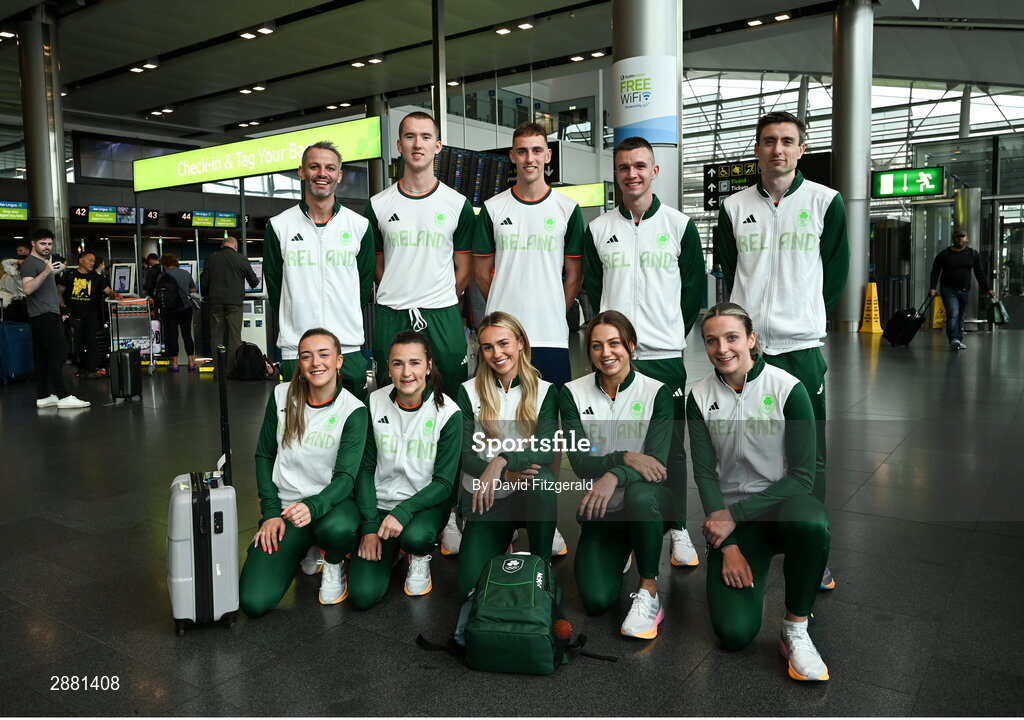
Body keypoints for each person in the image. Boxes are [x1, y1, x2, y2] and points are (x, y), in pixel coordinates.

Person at [715, 110, 849, 591]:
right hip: (749, 352)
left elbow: (834, 274)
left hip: (800, 349)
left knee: (809, 454)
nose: (778, 149)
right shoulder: (733, 208)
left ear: (801, 148)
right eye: (769, 141)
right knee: (743, 444)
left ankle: (813, 550)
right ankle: (746, 530)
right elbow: (729, 275)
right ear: (757, 148)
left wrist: (805, 316)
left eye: (787, 141)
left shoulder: (824, 202)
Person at [688, 302, 830, 681]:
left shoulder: (788, 389)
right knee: (734, 635)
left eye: (732, 337)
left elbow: (803, 476)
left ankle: (796, 627)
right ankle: (742, 562)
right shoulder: (699, 396)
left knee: (813, 523)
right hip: (734, 522)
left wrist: (733, 517)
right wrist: (727, 545)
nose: (722, 349)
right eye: (711, 340)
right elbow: (704, 474)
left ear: (751, 339)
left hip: (782, 506)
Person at [583, 136, 705, 569]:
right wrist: (610, 343)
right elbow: (593, 291)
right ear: (615, 174)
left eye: (640, 166)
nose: (631, 174)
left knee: (671, 448)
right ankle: (626, 526)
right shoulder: (598, 229)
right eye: (623, 167)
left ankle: (677, 527)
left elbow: (694, 291)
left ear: (655, 171)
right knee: (618, 441)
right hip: (614, 358)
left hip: (663, 356)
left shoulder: (678, 226)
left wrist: (671, 332)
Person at [239, 328, 368, 616]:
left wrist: (313, 505)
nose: (315, 363)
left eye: (324, 355)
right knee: (253, 601)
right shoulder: (281, 395)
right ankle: (305, 548)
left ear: (338, 361)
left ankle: (334, 561)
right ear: (299, 362)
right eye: (306, 356)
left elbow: (346, 478)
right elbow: (264, 455)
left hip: (329, 506)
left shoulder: (354, 410)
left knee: (338, 530)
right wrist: (270, 512)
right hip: (286, 511)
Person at [561, 311, 675, 639]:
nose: (606, 353)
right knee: (595, 602)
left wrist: (613, 475)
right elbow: (581, 463)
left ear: (631, 345)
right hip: (602, 513)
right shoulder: (572, 393)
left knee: (640, 494)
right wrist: (624, 457)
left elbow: (655, 464)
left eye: (615, 343)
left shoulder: (657, 392)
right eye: (597, 346)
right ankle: (623, 546)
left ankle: (649, 590)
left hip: (649, 502)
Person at [348, 330, 461, 608]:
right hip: (379, 505)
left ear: (429, 365)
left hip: (423, 505)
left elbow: (444, 484)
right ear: (388, 367)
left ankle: (418, 556)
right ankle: (394, 549)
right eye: (398, 363)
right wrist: (370, 526)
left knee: (417, 538)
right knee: (362, 596)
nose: (406, 372)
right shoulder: (375, 402)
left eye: (414, 362)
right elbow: (364, 469)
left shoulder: (448, 413)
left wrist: (403, 510)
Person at [365, 111, 475, 390]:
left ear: (437, 146)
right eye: (410, 136)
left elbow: (464, 268)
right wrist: (401, 290)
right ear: (399, 145)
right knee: (391, 397)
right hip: (393, 312)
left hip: (442, 313)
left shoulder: (456, 204)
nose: (417, 144)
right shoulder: (378, 205)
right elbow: (377, 266)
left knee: (450, 396)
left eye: (426, 137)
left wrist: (440, 295)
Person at [454, 311, 559, 599]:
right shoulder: (467, 392)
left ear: (521, 343)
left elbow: (545, 448)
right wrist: (502, 473)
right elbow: (464, 455)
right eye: (487, 347)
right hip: (486, 499)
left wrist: (501, 463)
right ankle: (501, 538)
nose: (496, 354)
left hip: (526, 492)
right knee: (468, 590)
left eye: (503, 344)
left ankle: (542, 566)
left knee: (543, 480)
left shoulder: (545, 391)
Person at [474, 122, 584, 386]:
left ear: (548, 155)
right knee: (500, 417)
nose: (529, 158)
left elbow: (575, 276)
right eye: (522, 151)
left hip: (551, 334)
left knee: (548, 417)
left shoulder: (567, 209)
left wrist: (555, 308)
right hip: (503, 337)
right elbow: (480, 274)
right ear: (512, 156)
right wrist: (504, 305)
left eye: (536, 150)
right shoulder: (493, 209)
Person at [265, 141, 375, 397]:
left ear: (339, 175)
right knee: (300, 430)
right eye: (314, 167)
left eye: (329, 168)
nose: (322, 173)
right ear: (302, 172)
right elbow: (275, 287)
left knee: (353, 427)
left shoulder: (359, 226)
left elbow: (363, 285)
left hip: (347, 348)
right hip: (298, 349)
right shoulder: (279, 226)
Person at [19, 228, 90, 409]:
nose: (47, 247)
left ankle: (43, 396)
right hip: (44, 316)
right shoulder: (30, 263)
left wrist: (53, 271)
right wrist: (45, 271)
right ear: (33, 244)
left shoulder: (43, 262)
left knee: (43, 357)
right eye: (43, 243)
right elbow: (27, 289)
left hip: (45, 315)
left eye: (49, 244)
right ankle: (63, 396)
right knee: (59, 354)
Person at [929, 229, 996, 351]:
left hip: (965, 290)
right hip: (948, 289)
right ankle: (954, 338)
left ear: (967, 238)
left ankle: (958, 340)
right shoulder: (944, 255)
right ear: (953, 239)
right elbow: (935, 272)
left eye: (962, 236)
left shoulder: (973, 254)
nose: (960, 239)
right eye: (957, 237)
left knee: (960, 315)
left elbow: (979, 273)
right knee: (953, 313)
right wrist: (933, 287)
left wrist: (988, 289)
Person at [203, 237, 260, 374]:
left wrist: (208, 296)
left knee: (216, 336)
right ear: (235, 246)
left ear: (222, 246)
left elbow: (204, 282)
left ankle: (218, 370)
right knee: (235, 337)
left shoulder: (211, 258)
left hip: (215, 303)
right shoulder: (241, 258)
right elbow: (254, 281)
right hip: (235, 304)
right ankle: (230, 370)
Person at [62, 251, 122, 378]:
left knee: (91, 342)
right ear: (81, 260)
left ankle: (92, 368)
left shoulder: (96, 277)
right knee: (77, 342)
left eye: (94, 261)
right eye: (89, 260)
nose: (92, 263)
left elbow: (108, 291)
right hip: (73, 314)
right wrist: (63, 307)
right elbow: (59, 291)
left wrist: (114, 294)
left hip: (91, 315)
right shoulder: (69, 275)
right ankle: (81, 367)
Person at [155, 253, 198, 371]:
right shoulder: (185, 273)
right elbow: (193, 289)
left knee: (172, 336)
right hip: (185, 308)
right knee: (187, 334)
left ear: (164, 264)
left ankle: (174, 364)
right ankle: (191, 363)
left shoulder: (162, 275)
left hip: (170, 309)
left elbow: (159, 291)